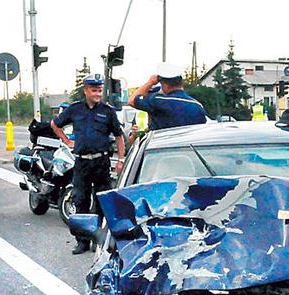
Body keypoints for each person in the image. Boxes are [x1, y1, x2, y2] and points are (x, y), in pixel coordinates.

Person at [51, 74, 125, 255]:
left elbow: (118, 136)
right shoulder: (75, 110)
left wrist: (121, 159)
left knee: (101, 202)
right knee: (81, 201)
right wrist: (67, 141)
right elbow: (55, 124)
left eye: (100, 90)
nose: (97, 93)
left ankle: (97, 238)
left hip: (101, 162)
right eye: (94, 90)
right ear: (86, 91)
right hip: (82, 162)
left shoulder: (108, 111)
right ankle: (82, 241)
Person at [128, 63, 207, 130]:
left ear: (164, 85)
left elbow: (132, 101)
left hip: (160, 146)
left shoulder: (158, 101)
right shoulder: (198, 106)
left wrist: (150, 82)